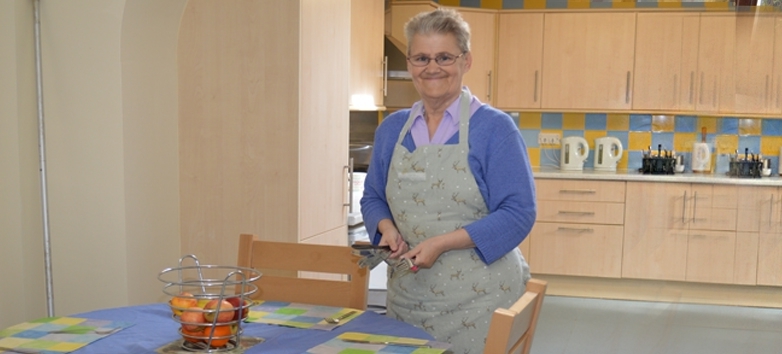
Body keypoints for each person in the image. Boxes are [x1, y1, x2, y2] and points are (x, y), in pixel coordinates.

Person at [360, 8, 536, 354]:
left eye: (444, 57)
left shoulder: (495, 130)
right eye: (421, 57)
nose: (432, 67)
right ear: (410, 63)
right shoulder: (391, 130)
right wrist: (385, 227)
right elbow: (373, 197)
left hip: (482, 299)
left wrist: (442, 243)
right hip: (409, 296)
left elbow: (519, 212)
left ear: (466, 61)